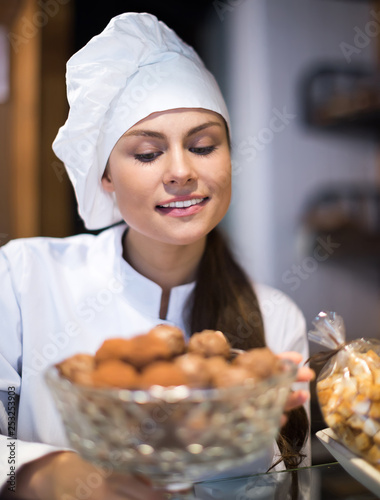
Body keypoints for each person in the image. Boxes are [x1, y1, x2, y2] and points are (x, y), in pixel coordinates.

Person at [0, 12, 313, 500]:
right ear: (105, 176)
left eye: (204, 145)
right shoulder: (24, 277)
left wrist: (250, 429)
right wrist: (43, 472)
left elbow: (292, 486)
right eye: (147, 154)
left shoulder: (277, 322)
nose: (182, 171)